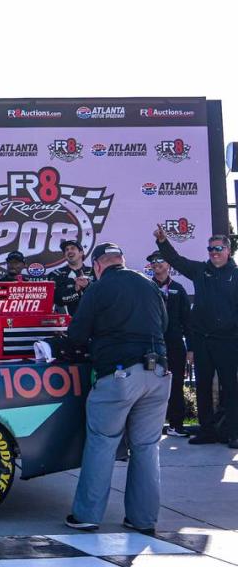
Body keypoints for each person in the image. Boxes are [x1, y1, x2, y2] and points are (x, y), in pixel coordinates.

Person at [64, 242, 171, 533]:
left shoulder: (99, 288)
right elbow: (163, 325)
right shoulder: (149, 285)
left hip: (120, 376)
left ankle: (87, 516)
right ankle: (143, 520)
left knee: (102, 441)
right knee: (147, 448)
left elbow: (76, 335)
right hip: (159, 374)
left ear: (98, 265)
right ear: (121, 261)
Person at [155, 228, 238, 448]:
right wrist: (163, 242)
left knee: (231, 387)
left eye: (218, 248)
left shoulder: (236, 275)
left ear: (228, 250)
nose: (214, 252)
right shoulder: (201, 270)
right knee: (202, 386)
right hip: (202, 340)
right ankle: (207, 431)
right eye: (210, 249)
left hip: (228, 341)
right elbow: (176, 260)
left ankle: (234, 433)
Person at [146, 251, 192, 438]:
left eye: (160, 260)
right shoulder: (146, 287)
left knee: (176, 384)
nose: (156, 264)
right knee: (148, 386)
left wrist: (191, 348)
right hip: (150, 345)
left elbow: (187, 322)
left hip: (174, 344)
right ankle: (149, 428)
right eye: (153, 261)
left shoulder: (178, 288)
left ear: (169, 265)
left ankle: (176, 425)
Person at [50, 239, 94, 315]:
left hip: (94, 321)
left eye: (73, 248)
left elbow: (103, 295)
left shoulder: (94, 271)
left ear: (81, 253)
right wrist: (75, 289)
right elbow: (56, 300)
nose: (69, 251)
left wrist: (87, 285)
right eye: (66, 250)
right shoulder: (56, 274)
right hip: (66, 323)